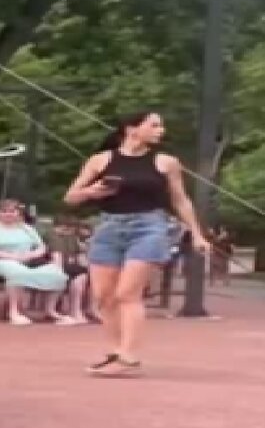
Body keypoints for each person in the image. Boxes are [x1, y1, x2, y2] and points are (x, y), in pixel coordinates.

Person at [64, 110, 209, 377]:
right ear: (132, 129)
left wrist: (197, 234)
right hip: (109, 227)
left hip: (149, 226)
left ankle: (129, 356)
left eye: (161, 125)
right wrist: (91, 192)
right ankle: (115, 351)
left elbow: (180, 200)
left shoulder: (166, 162)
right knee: (103, 296)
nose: (161, 130)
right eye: (154, 125)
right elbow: (70, 197)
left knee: (127, 293)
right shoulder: (100, 160)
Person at [0, 199, 80, 326]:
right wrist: (12, 257)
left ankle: (50, 311)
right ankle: (13, 312)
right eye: (4, 211)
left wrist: (30, 255)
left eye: (12, 211)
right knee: (15, 270)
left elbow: (42, 247)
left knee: (57, 273)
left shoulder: (27, 229)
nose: (9, 214)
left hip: (26, 262)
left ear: (18, 213)